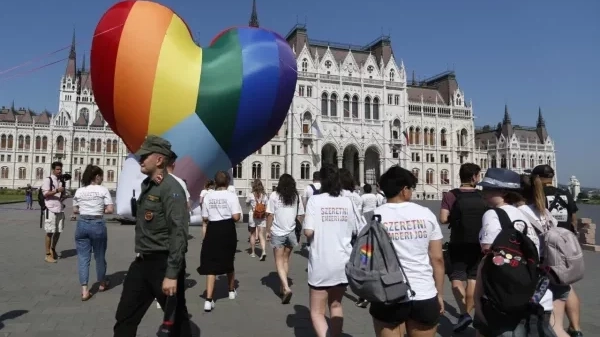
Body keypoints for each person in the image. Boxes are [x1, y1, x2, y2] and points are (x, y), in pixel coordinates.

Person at [113, 135, 192, 337]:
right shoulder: (148, 185)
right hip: (142, 262)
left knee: (177, 323)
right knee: (125, 317)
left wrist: (172, 274)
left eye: (145, 156)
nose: (140, 159)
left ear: (158, 160)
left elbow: (179, 232)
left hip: (163, 264)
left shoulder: (171, 189)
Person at [473, 168, 555, 337]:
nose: (483, 193)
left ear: (503, 191)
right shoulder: (523, 213)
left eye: (488, 189)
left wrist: (477, 297)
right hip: (535, 294)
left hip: (504, 296)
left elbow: (488, 255)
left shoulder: (493, 214)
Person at [370, 166, 445, 337]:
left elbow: (367, 257)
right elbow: (437, 259)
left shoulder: (372, 216)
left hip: (387, 293)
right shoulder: (426, 214)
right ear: (404, 190)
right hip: (423, 292)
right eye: (411, 188)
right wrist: (439, 293)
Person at [303, 164, 359, 337]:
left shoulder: (315, 200)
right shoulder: (347, 201)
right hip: (343, 262)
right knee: (336, 305)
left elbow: (308, 231)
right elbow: (358, 229)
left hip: (321, 262)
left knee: (317, 312)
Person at [531, 165, 583, 337]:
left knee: (550, 288)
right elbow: (574, 219)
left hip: (547, 246)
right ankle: (576, 328)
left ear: (537, 178)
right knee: (566, 286)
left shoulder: (537, 194)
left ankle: (554, 328)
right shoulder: (565, 193)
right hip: (565, 243)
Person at [439, 163, 487, 332]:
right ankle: (467, 313)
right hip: (478, 244)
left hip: (458, 243)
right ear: (474, 177)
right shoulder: (483, 196)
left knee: (456, 279)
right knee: (473, 279)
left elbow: (443, 219)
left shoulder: (451, 195)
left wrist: (456, 218)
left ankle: (463, 313)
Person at [198, 170, 242, 312]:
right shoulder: (231, 196)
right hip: (227, 228)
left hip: (213, 229)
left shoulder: (208, 196)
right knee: (229, 258)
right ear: (227, 182)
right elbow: (236, 217)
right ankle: (230, 290)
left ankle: (209, 299)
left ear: (215, 183)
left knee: (211, 264)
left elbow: (204, 217)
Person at [72, 165, 114, 301]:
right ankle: (102, 283)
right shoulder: (103, 190)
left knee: (83, 258)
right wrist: (97, 210)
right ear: (97, 177)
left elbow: (75, 210)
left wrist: (86, 209)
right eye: (101, 176)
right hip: (97, 224)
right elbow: (110, 210)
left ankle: (84, 290)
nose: (102, 179)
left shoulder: (79, 191)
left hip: (82, 224)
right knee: (99, 255)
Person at [266, 174, 305, 304]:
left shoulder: (274, 196)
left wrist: (267, 230)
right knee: (286, 260)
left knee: (278, 260)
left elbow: (270, 215)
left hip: (278, 232)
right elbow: (300, 215)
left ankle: (286, 287)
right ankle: (282, 287)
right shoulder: (296, 196)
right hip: (291, 232)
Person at [42, 161, 67, 263]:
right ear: (53, 170)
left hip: (59, 208)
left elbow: (60, 194)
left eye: (60, 169)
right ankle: (47, 254)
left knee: (58, 231)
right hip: (50, 209)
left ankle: (53, 249)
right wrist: (57, 190)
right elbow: (45, 194)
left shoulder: (60, 181)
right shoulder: (48, 180)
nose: (59, 171)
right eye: (57, 169)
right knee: (50, 232)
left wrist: (64, 194)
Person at [246, 179, 268, 259]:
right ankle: (263, 251)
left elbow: (247, 203)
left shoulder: (251, 195)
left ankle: (253, 252)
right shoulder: (264, 195)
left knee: (252, 234)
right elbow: (267, 206)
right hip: (262, 216)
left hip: (253, 215)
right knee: (261, 235)